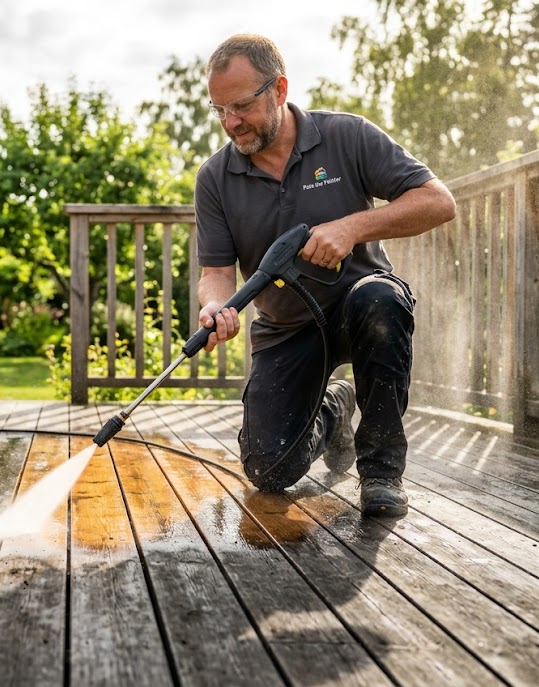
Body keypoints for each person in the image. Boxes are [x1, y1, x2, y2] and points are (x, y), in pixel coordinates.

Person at [195, 34, 456, 517]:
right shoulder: (214, 178)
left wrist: (352, 227)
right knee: (269, 471)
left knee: (381, 300)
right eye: (219, 110)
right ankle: (337, 408)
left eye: (241, 106)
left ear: (279, 90)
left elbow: (438, 202)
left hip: (362, 306)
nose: (231, 123)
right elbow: (216, 271)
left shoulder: (348, 136)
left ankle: (380, 473)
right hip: (286, 329)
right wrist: (215, 304)